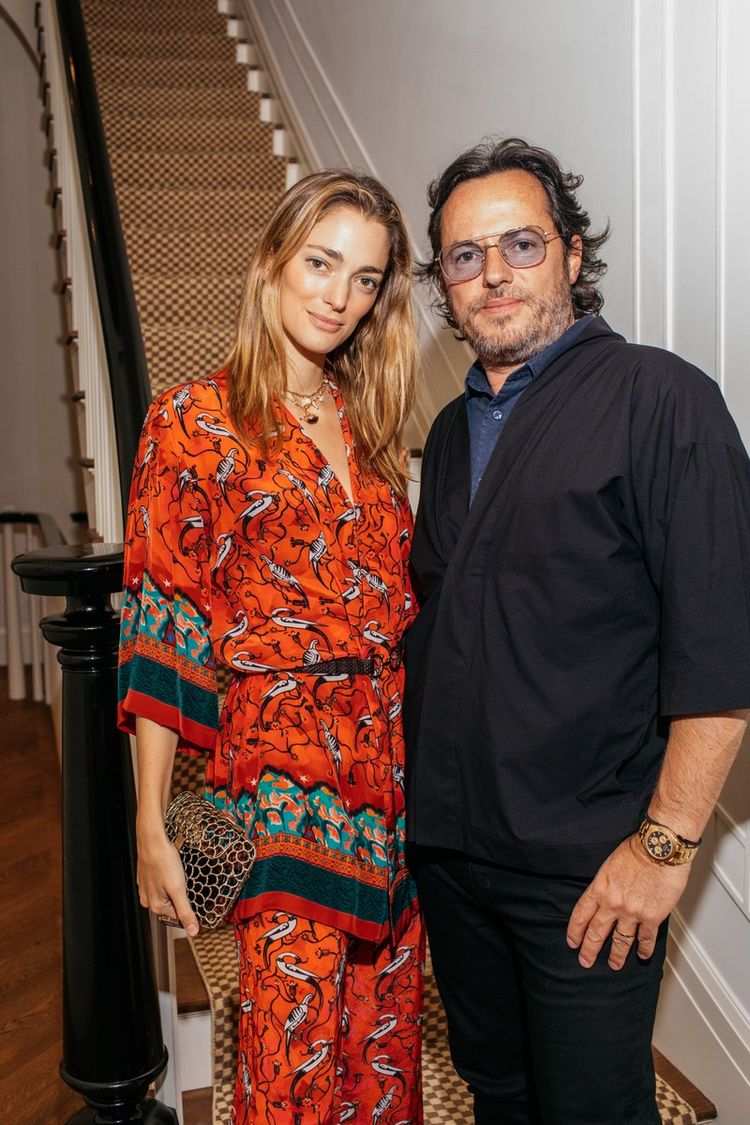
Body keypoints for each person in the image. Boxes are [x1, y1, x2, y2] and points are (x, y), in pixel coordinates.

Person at [405, 137, 750, 1125]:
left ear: (571, 253)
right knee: (498, 1094)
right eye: (465, 256)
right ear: (444, 285)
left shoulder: (662, 398)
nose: (494, 273)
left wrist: (663, 849)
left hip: (587, 872)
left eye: (520, 243)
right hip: (453, 857)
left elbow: (722, 652)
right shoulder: (452, 431)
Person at [117, 169, 424, 1125]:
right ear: (272, 263)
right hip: (280, 776)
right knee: (290, 1064)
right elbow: (164, 624)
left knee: (381, 1057)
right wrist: (150, 823)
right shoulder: (192, 420)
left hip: (388, 781)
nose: (340, 296)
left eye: (365, 278)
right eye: (321, 264)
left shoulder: (372, 426)